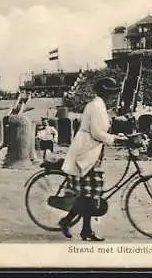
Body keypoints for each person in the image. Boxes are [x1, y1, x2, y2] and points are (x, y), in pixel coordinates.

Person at [58, 77, 128, 242]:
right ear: (104, 92)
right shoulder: (96, 106)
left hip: (91, 150)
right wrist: (116, 139)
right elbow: (97, 133)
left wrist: (114, 137)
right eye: (110, 92)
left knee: (88, 194)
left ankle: (78, 227)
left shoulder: (99, 105)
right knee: (88, 194)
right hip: (85, 151)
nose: (112, 96)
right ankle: (75, 226)